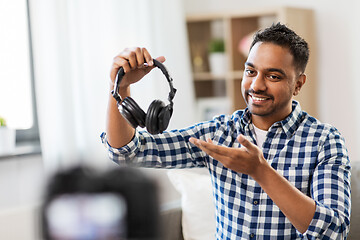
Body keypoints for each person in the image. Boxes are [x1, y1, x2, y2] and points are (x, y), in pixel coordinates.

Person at [101, 23, 351, 239]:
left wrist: (260, 171)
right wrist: (120, 87)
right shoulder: (219, 132)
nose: (256, 85)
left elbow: (334, 231)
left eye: (273, 76)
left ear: (298, 84)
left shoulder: (324, 141)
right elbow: (127, 153)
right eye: (250, 71)